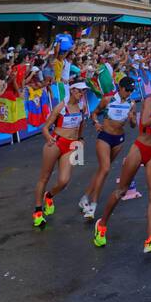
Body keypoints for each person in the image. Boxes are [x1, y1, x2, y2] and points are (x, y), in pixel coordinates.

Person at [93, 73, 151, 253]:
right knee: (121, 190)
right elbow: (145, 122)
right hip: (140, 148)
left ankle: (150, 238)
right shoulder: (149, 101)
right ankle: (102, 224)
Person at [79, 75, 138, 219]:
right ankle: (92, 206)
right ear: (120, 88)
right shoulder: (108, 100)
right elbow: (94, 113)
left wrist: (132, 119)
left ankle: (85, 197)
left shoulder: (131, 103)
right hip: (105, 137)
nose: (129, 93)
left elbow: (133, 125)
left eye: (131, 90)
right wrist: (96, 123)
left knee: (102, 170)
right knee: (105, 169)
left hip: (119, 139)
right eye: (127, 90)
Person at [32, 81, 89, 229]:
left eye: (83, 92)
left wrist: (80, 138)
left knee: (64, 181)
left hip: (71, 146)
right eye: (79, 91)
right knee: (44, 178)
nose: (81, 94)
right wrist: (48, 137)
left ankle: (49, 196)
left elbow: (81, 124)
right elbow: (45, 128)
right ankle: (38, 212)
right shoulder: (61, 107)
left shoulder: (82, 106)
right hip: (55, 143)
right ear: (72, 90)